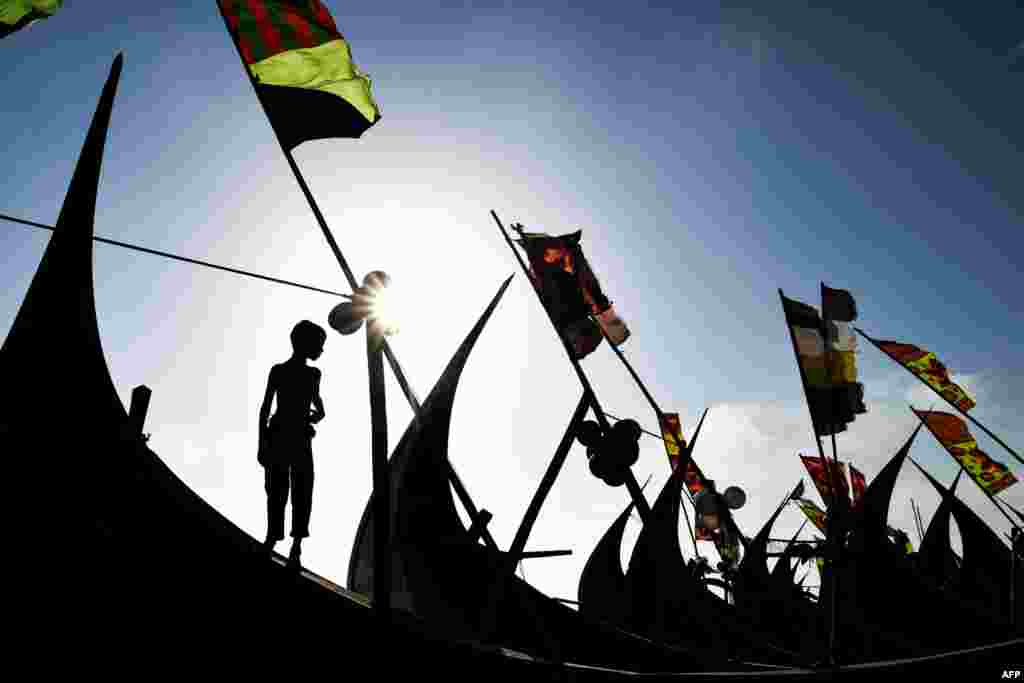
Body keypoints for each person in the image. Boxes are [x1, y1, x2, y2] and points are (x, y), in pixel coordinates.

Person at [258, 320, 327, 567]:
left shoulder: (313, 374)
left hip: (300, 437)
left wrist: (316, 415)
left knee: (302, 489)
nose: (321, 350)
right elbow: (265, 408)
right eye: (319, 344)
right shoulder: (278, 371)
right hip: (279, 435)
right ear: (305, 343)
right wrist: (261, 444)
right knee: (277, 489)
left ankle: (296, 546)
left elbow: (320, 408)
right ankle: (272, 537)